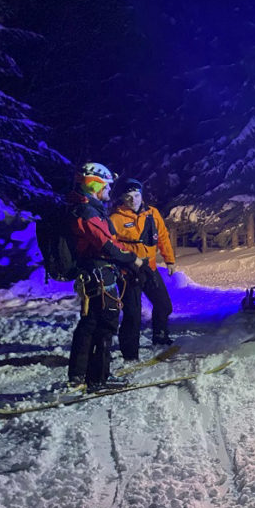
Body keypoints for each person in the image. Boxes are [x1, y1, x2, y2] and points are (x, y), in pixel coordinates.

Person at [67, 162, 144, 390]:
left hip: (94, 271)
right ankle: (98, 378)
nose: (110, 191)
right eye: (107, 186)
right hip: (98, 273)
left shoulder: (85, 207)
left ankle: (79, 377)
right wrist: (133, 260)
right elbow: (106, 244)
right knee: (105, 323)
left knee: (90, 323)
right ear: (94, 185)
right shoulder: (87, 211)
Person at [110, 178, 177, 358]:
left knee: (164, 305)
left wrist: (169, 260)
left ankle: (160, 336)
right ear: (123, 198)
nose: (134, 200)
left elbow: (162, 236)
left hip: (150, 268)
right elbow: (110, 245)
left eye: (137, 195)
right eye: (129, 196)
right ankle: (130, 353)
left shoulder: (152, 213)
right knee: (132, 315)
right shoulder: (115, 219)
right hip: (128, 273)